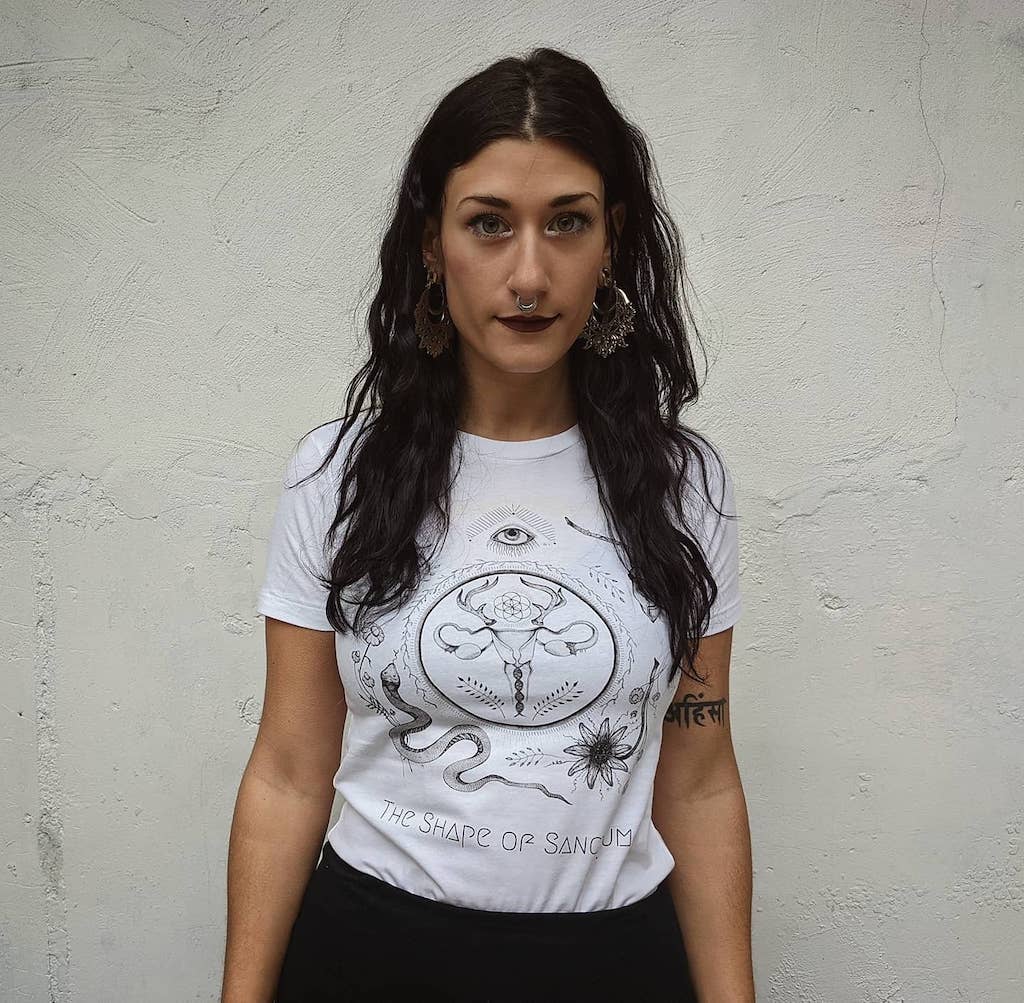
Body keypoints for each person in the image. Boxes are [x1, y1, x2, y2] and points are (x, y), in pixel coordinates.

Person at [222, 47, 754, 1003]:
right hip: (371, 957)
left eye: (568, 223)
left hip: (613, 964)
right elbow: (291, 770)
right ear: (433, 245)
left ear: (612, 239)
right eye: (489, 224)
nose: (530, 274)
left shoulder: (684, 485)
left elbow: (701, 777)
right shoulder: (340, 474)